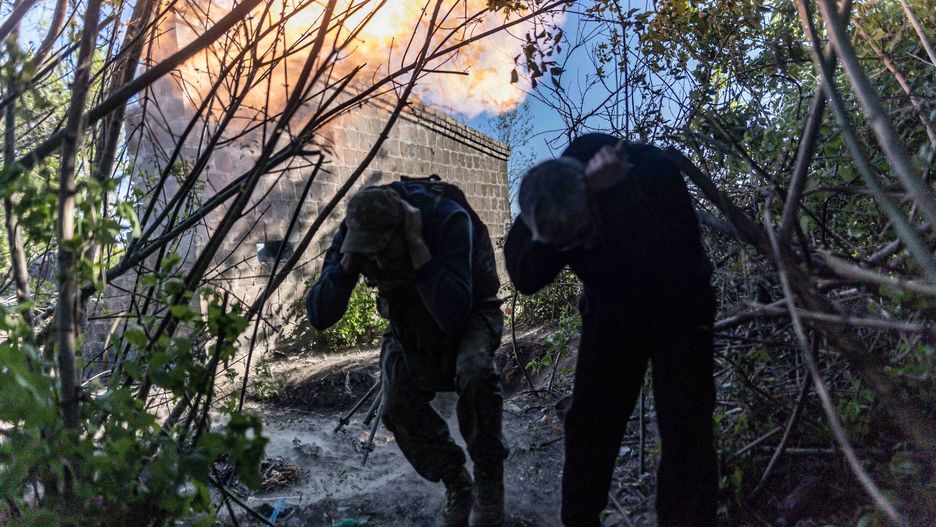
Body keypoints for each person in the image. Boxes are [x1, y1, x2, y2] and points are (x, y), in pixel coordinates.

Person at [504, 134, 718, 526]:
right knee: (590, 426)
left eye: (581, 233)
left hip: (680, 306)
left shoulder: (652, 171)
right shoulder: (550, 192)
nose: (578, 246)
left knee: (686, 424)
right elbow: (526, 275)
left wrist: (610, 197)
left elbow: (681, 266)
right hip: (610, 313)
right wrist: (558, 237)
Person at [306, 177, 508, 527]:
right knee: (397, 402)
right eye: (369, 253)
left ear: (405, 230)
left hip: (470, 312)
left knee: (476, 373)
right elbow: (319, 315)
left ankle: (489, 480)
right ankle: (457, 482)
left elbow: (453, 315)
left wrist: (418, 250)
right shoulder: (355, 233)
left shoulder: (448, 219)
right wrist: (346, 267)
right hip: (407, 317)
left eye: (384, 251)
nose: (377, 262)